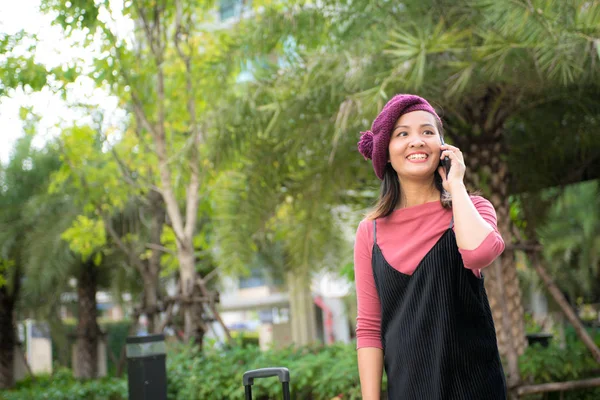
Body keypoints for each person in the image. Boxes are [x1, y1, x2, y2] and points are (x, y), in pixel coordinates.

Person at [354, 94, 507, 400]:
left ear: (444, 147)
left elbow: (480, 252)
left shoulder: (472, 208)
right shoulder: (369, 231)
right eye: (402, 134)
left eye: (427, 132)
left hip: (475, 390)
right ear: (386, 152)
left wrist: (457, 186)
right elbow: (370, 328)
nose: (417, 141)